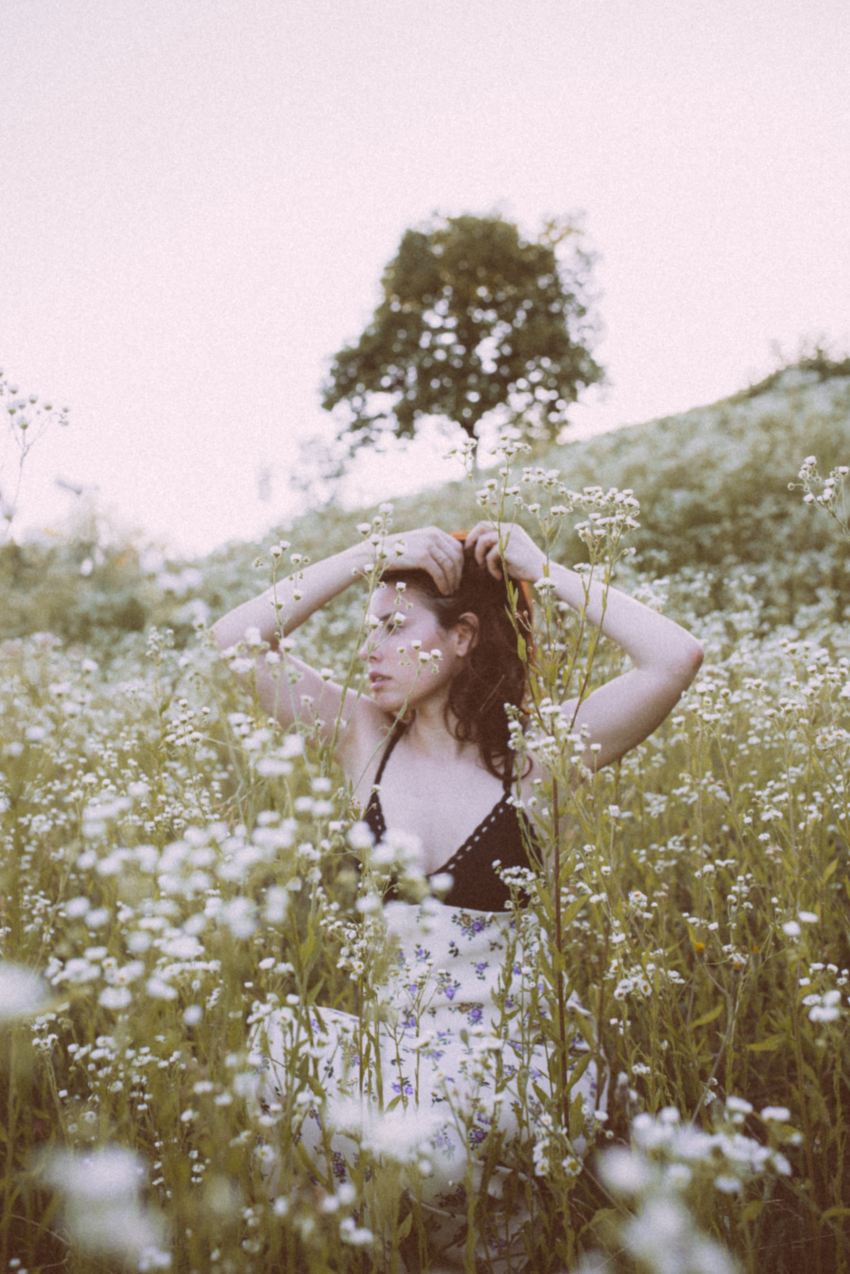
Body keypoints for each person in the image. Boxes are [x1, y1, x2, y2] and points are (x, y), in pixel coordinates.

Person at [211, 521, 704, 1270]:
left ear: (464, 636)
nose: (369, 649)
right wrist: (361, 559)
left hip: (506, 1063)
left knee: (456, 1210)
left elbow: (674, 657)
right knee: (277, 1049)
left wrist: (547, 571)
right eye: (367, 629)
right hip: (398, 1054)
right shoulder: (361, 741)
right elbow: (233, 638)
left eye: (393, 627)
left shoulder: (540, 758)